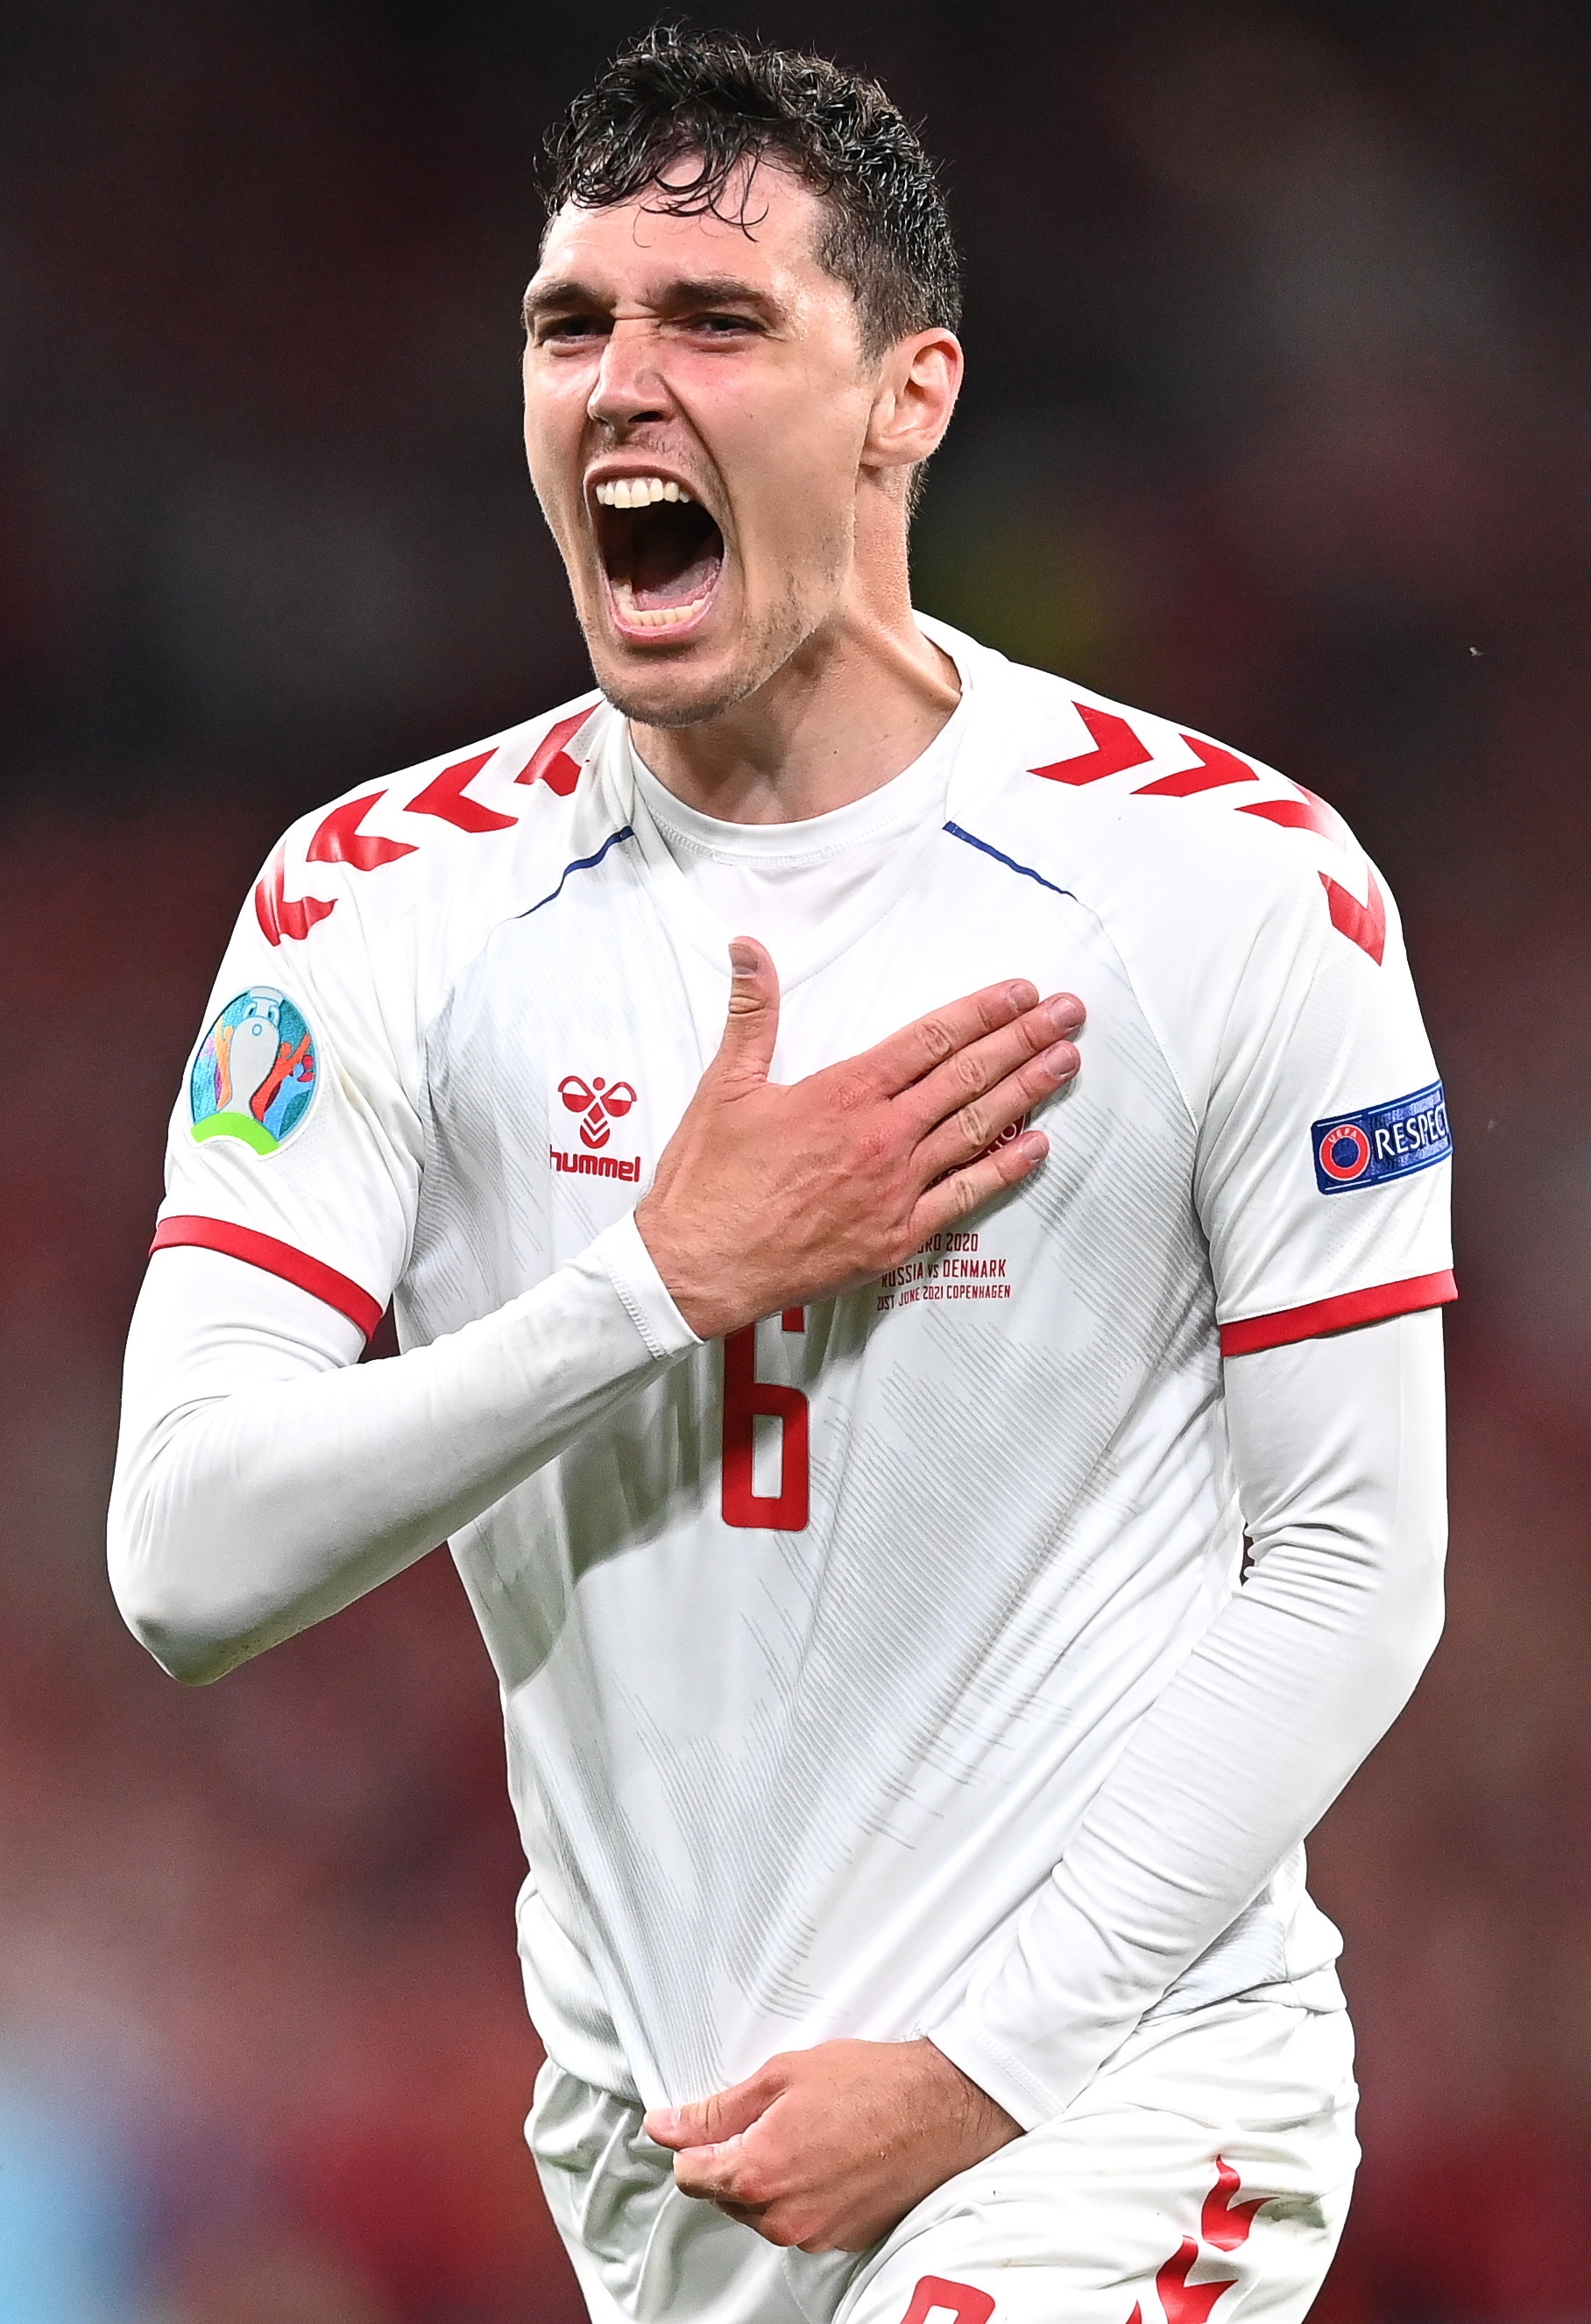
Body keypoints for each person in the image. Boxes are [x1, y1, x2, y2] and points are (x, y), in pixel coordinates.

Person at [107, 27, 1454, 2324]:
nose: (621, 381)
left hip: (1114, 2104)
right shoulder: (377, 908)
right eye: (569, 326)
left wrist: (982, 2062)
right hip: (677, 2169)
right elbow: (186, 1552)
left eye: (714, 320)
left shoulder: (1228, 887)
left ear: (906, 395)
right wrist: (655, 1280)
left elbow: (1358, 1556)